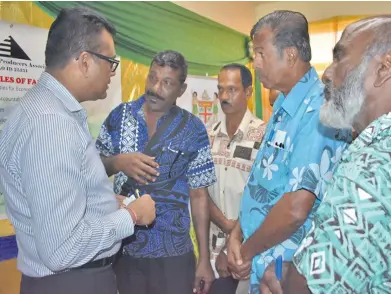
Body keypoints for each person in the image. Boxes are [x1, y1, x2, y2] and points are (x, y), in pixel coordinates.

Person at [260, 14, 391, 294]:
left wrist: (280, 275)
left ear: (385, 67)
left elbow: (306, 287)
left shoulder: (374, 168)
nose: (327, 73)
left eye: (340, 58)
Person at [0, 7, 156, 294]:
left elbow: (58, 204)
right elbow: (61, 248)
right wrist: (131, 216)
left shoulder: (42, 110)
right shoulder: (52, 125)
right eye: (110, 61)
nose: (112, 71)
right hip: (72, 282)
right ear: (85, 61)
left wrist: (108, 204)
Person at [226, 10, 351, 294]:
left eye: (260, 53)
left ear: (291, 55)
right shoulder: (284, 104)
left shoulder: (320, 110)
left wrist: (244, 251)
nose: (254, 63)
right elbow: (264, 180)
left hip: (286, 273)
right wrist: (237, 233)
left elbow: (296, 208)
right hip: (259, 257)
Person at [96, 50, 216, 294]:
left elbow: (199, 195)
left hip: (173, 256)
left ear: (181, 90)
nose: (155, 87)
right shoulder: (119, 117)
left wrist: (204, 258)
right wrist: (118, 162)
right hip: (123, 249)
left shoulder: (193, 129)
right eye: (152, 78)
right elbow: (89, 170)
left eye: (167, 83)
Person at [206, 64, 266, 294]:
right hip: (208, 249)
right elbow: (199, 190)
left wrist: (235, 236)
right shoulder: (208, 133)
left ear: (249, 92)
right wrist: (222, 222)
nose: (224, 96)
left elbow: (264, 195)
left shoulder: (263, 135)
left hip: (246, 252)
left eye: (232, 90)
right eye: (220, 89)